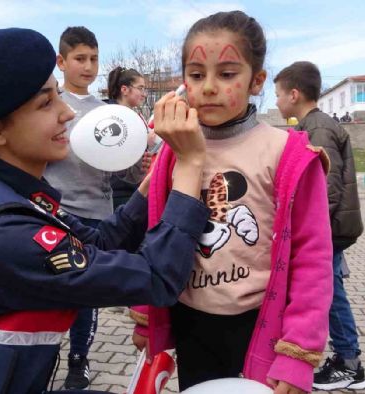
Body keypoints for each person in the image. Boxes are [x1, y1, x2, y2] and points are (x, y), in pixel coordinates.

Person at [0, 28, 209, 394]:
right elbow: (155, 278)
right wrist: (190, 166)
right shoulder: (8, 232)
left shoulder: (1, 193)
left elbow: (99, 240)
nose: (67, 113)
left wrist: (152, 182)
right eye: (46, 103)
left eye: (58, 95)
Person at [129, 11, 333, 393]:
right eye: (195, 74)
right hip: (191, 321)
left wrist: (298, 351)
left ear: (256, 81)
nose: (208, 87)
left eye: (226, 74)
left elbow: (313, 258)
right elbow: (153, 230)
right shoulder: (176, 150)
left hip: (259, 325)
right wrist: (146, 314)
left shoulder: (288, 153)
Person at [43, 27, 148, 389]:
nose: (88, 67)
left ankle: (78, 361)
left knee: (87, 294)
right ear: (62, 61)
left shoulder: (107, 113)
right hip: (55, 212)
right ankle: (40, 355)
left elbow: (122, 166)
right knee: (51, 289)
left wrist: (140, 165)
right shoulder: (50, 106)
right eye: (80, 59)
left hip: (97, 215)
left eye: (94, 59)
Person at [274, 61, 365, 391]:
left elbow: (325, 186)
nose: (277, 103)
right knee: (331, 290)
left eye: (279, 95)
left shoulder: (318, 128)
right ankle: (347, 357)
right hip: (332, 227)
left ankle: (350, 363)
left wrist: (310, 231)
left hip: (328, 228)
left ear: (294, 94)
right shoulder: (314, 124)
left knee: (329, 295)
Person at [106, 66, 152, 209]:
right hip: (115, 192)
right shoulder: (107, 115)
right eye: (140, 88)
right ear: (124, 89)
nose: (144, 94)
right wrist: (145, 141)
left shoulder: (135, 117)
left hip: (134, 188)